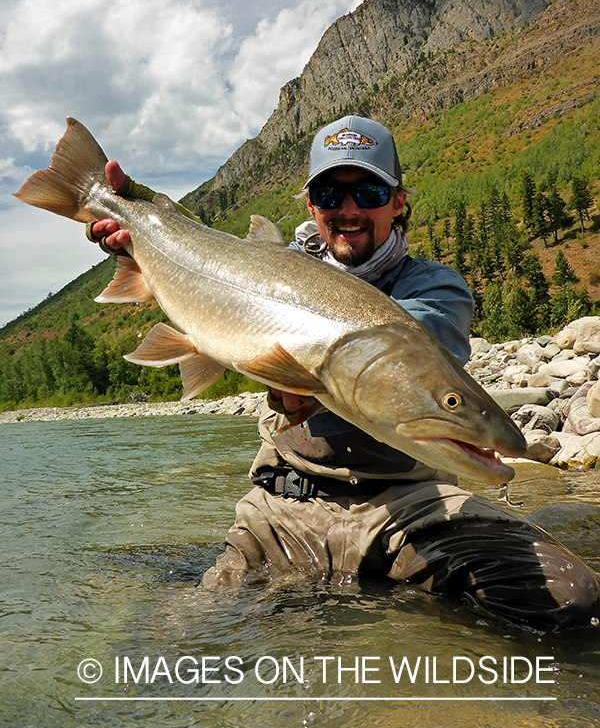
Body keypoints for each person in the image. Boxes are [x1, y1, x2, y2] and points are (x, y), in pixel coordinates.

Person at [90, 115, 600, 633]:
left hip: (405, 507)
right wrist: (133, 205)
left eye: (371, 191)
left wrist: (303, 390)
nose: (349, 210)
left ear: (399, 202)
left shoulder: (435, 290)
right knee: (170, 641)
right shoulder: (270, 270)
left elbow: (397, 357)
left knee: (568, 603)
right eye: (331, 194)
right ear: (313, 205)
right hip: (284, 506)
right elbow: (197, 246)